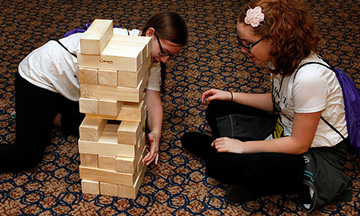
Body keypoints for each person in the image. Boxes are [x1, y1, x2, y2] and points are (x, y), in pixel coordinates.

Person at [181, 0, 352, 212]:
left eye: (248, 43)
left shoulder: (310, 78)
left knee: (242, 167)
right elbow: (278, 101)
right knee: (218, 107)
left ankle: (225, 156)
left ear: (274, 39)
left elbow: (299, 145)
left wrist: (243, 147)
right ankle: (236, 161)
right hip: (285, 128)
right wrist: (231, 96)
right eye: (241, 42)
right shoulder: (280, 58)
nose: (244, 50)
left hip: (318, 154)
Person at [0, 11, 188, 171]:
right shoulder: (117, 43)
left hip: (73, 88)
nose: (164, 60)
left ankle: (47, 115)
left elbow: (153, 100)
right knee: (26, 156)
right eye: (164, 52)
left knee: (110, 129)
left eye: (170, 56)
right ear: (150, 33)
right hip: (40, 78)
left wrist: (155, 132)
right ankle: (35, 112)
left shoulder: (152, 59)